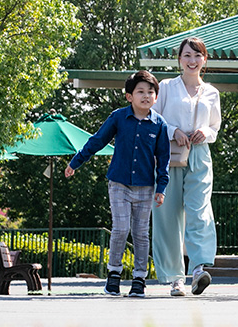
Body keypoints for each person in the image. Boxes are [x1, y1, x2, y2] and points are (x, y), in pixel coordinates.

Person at [65, 69, 169, 298]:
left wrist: (161, 188)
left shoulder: (160, 124)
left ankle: (139, 278)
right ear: (129, 96)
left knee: (141, 234)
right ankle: (113, 275)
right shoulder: (118, 117)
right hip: (119, 183)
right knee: (121, 228)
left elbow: (164, 159)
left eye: (150, 92)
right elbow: (97, 140)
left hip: (145, 186)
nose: (146, 96)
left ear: (156, 97)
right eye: (140, 91)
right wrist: (76, 162)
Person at [152, 36, 222, 296]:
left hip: (200, 155)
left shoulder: (212, 92)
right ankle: (174, 278)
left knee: (200, 211)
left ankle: (198, 269)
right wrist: (174, 130)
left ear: (204, 59)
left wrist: (204, 131)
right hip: (170, 153)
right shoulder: (167, 87)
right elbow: (154, 119)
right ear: (179, 59)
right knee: (168, 215)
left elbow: (214, 126)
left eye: (197, 55)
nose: (192, 61)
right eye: (187, 55)